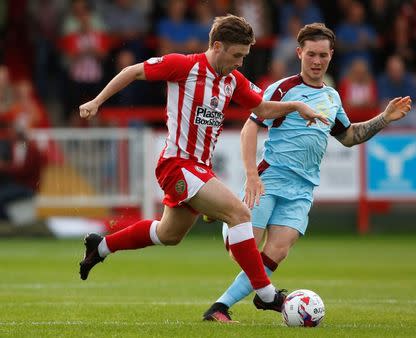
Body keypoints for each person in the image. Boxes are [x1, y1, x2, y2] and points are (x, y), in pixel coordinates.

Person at [78, 15, 328, 314]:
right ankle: (267, 293)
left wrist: (296, 105)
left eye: (244, 57)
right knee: (239, 213)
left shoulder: (231, 80)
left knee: (168, 234)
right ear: (218, 46)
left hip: (200, 168)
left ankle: (101, 246)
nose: (240, 63)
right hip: (177, 164)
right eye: (237, 55)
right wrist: (97, 101)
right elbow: (133, 71)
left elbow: (262, 108)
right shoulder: (184, 66)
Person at [203, 22, 411, 323]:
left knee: (277, 251)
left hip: (302, 189)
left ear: (331, 56)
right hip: (270, 179)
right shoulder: (282, 88)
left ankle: (220, 308)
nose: (317, 61)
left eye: (323, 56)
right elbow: (251, 126)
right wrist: (251, 174)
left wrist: (383, 119)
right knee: (240, 253)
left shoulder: (332, 98)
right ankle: (222, 213)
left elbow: (349, 136)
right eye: (311, 54)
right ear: (299, 53)